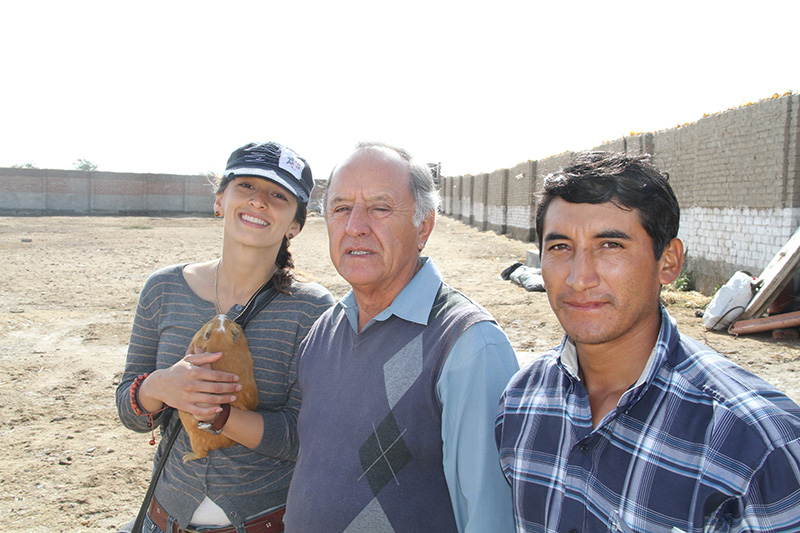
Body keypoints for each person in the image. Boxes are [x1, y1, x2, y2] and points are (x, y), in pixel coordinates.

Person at [495, 151, 800, 531]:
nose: (578, 278)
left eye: (610, 245)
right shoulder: (522, 403)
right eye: (560, 247)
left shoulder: (756, 445)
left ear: (668, 262)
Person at [283, 142, 519, 532]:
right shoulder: (323, 333)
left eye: (380, 207)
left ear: (423, 226)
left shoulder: (467, 345)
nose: (355, 225)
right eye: (341, 208)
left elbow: (489, 518)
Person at [116, 141, 334, 533]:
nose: (259, 201)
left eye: (278, 195)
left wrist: (220, 415)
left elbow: (305, 438)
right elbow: (129, 412)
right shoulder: (163, 289)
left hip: (265, 522)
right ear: (220, 200)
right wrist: (161, 386)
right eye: (246, 186)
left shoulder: (313, 309)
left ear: (296, 225)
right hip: (163, 520)